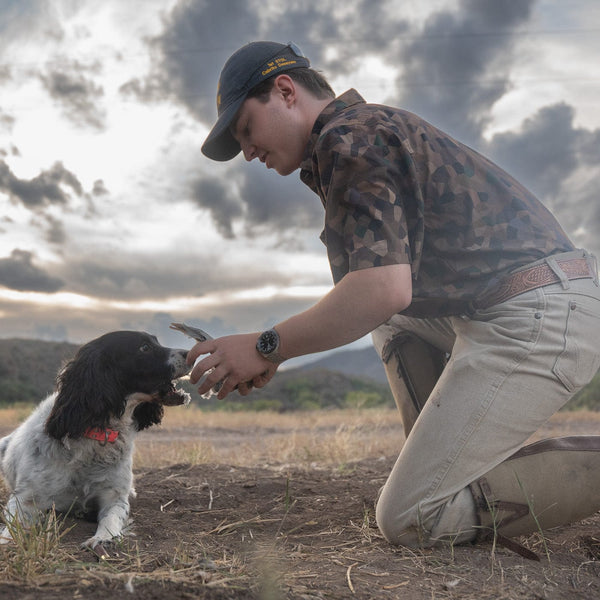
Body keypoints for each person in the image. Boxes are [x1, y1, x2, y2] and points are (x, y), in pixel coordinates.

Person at [188, 41, 600, 553]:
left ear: (286, 91)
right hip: (536, 300)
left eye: (246, 130)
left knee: (409, 519)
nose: (247, 152)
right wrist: (277, 349)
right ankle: (450, 472)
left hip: (541, 312)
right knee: (393, 321)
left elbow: (380, 290)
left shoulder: (349, 138)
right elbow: (379, 298)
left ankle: (439, 495)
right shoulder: (357, 134)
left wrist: (266, 345)